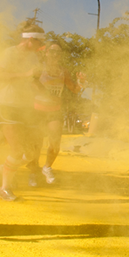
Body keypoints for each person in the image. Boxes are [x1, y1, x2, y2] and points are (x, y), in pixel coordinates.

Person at [0, 23, 45, 200]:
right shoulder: (9, 53)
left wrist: (46, 94)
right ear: (30, 39)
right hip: (8, 104)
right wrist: (25, 75)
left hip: (26, 107)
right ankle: (4, 188)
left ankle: (7, 168)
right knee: (17, 150)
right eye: (40, 42)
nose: (42, 46)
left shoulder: (33, 58)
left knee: (30, 153)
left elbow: (33, 80)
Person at [34, 44, 83, 185]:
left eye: (58, 52)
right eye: (52, 51)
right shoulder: (38, 68)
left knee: (55, 143)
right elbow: (30, 84)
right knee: (35, 144)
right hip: (37, 110)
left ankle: (47, 167)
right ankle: (33, 171)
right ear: (46, 53)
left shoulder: (63, 71)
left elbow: (74, 89)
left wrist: (82, 82)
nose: (55, 55)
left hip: (54, 110)